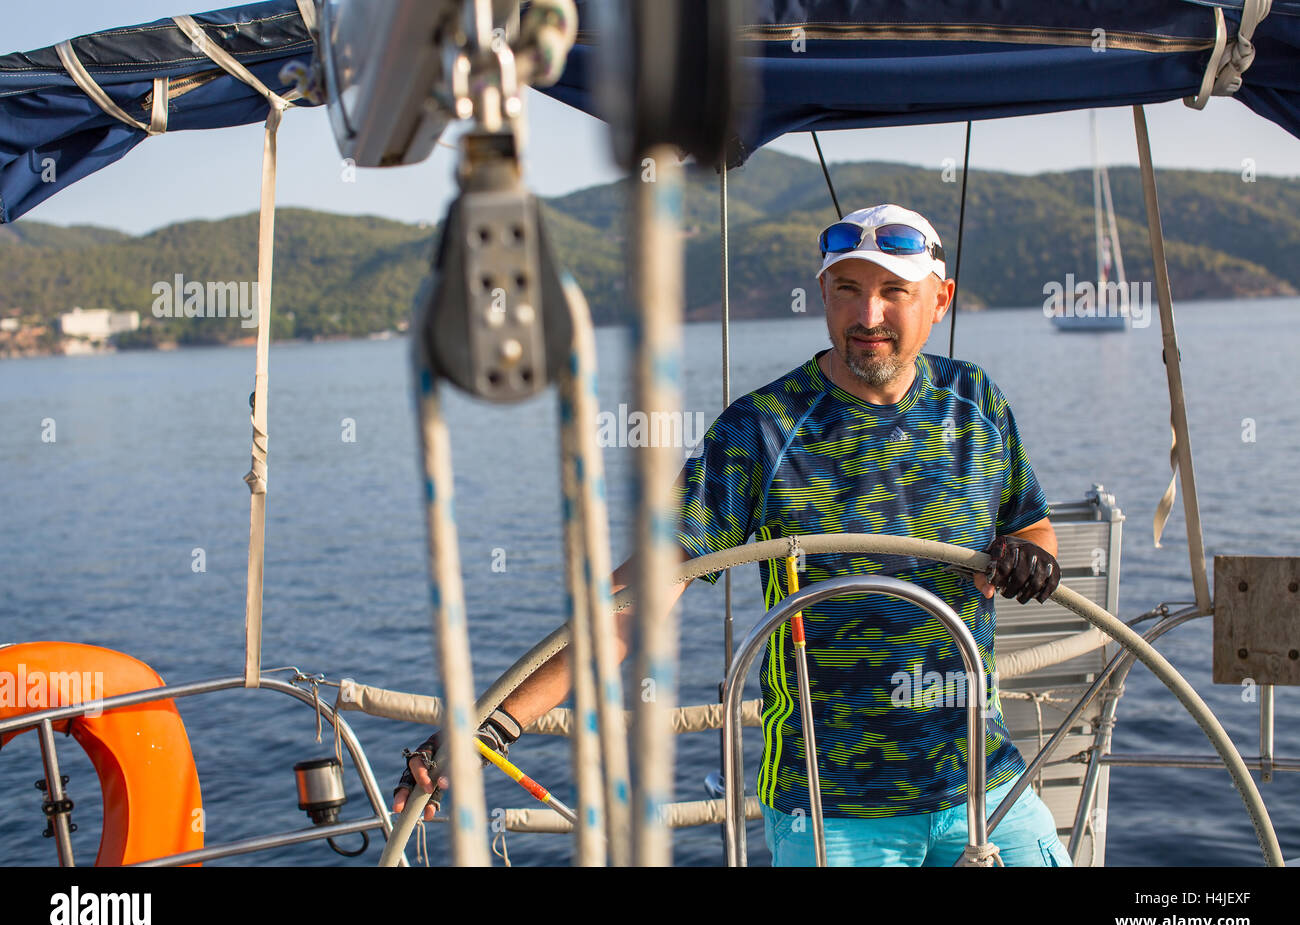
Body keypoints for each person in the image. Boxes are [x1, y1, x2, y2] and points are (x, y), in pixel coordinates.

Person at [394, 203, 1070, 867]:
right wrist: (491, 724)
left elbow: (1028, 522)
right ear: (823, 295)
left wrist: (1034, 555)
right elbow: (642, 594)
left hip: (989, 785)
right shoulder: (763, 428)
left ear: (941, 299)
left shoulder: (976, 402)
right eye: (848, 291)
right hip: (831, 807)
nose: (868, 317)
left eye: (895, 292)